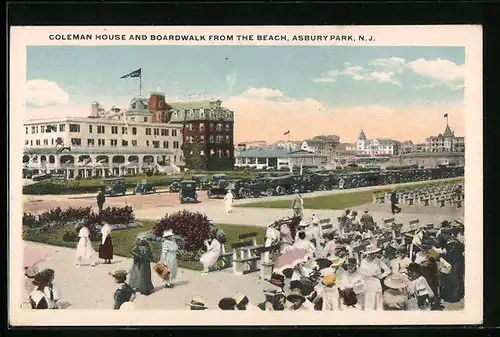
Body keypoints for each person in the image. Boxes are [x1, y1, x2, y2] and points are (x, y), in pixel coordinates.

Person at [358, 244, 391, 310]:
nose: (373, 255)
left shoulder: (378, 261)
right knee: (368, 301)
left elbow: (388, 270)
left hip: (376, 283)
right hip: (366, 284)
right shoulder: (363, 262)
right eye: (371, 254)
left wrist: (381, 276)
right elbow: (361, 275)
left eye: (374, 253)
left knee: (377, 301)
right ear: (368, 254)